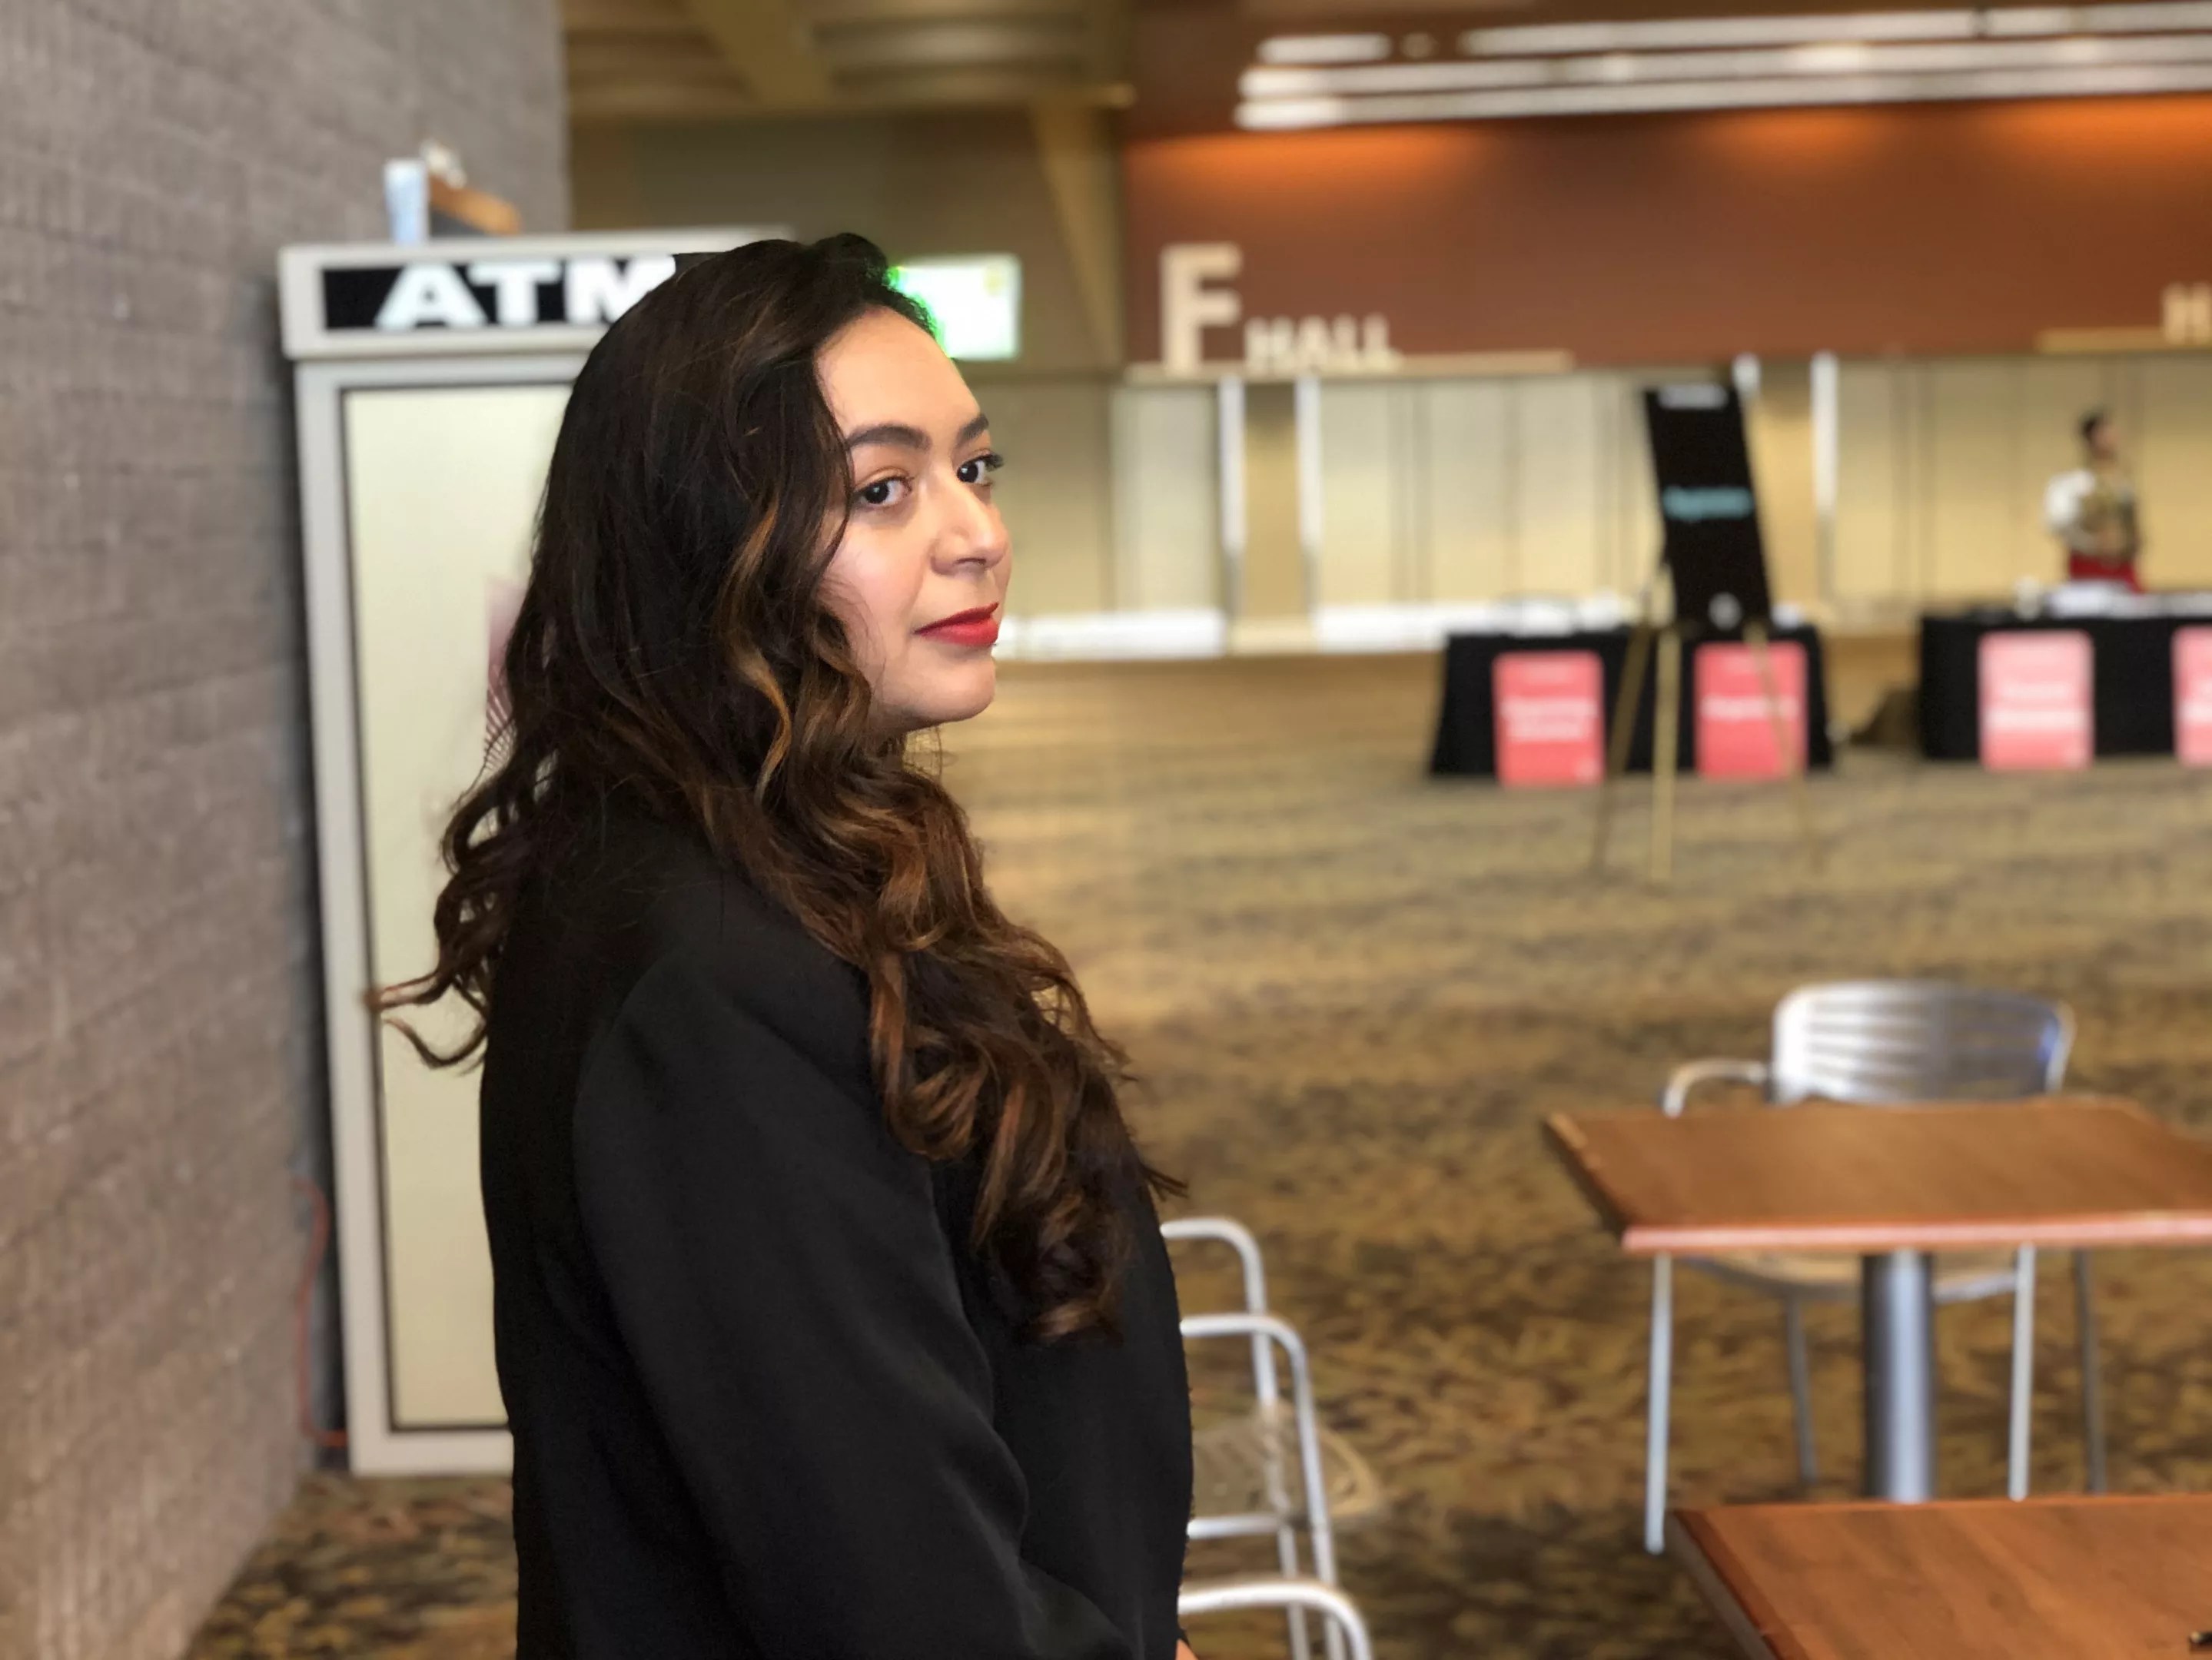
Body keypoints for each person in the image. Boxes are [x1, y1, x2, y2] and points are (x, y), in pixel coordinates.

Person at [378, 235, 1197, 1659]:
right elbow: (891, 1588)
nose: (975, 533)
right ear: (711, 548)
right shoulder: (713, 971)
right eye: (881, 490)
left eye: (975, 467)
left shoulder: (783, 859)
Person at [2044, 408, 2144, 590]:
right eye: (2105, 433)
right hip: (2088, 568)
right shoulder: (2073, 483)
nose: (2112, 438)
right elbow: (2057, 525)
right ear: (2091, 438)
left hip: (2123, 566)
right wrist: (2092, 543)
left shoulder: (2123, 482)